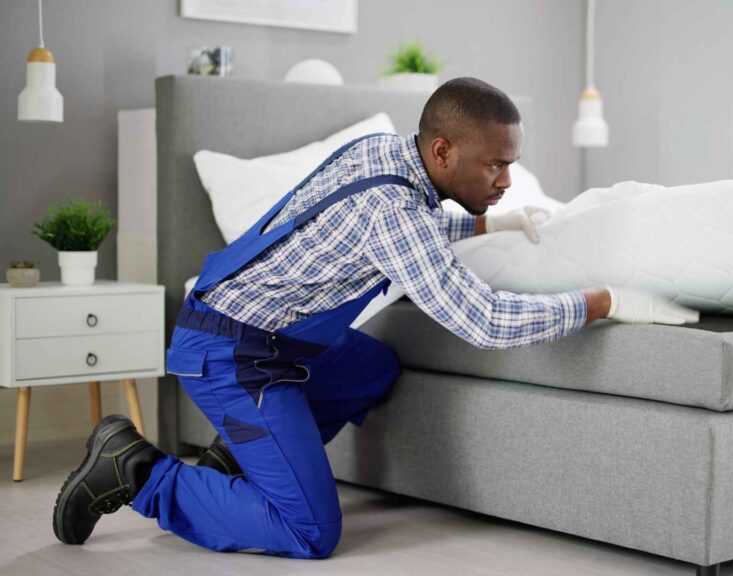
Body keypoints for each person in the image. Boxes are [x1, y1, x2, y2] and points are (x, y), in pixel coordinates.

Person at [52, 77, 696, 558]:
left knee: (372, 366)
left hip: (276, 339)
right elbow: (486, 322)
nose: (506, 179)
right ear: (442, 150)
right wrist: (603, 301)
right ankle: (137, 470)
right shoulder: (392, 210)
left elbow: (394, 229)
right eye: (494, 165)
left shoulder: (386, 154)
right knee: (309, 531)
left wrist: (484, 220)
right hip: (233, 355)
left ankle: (231, 467)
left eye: (512, 164)